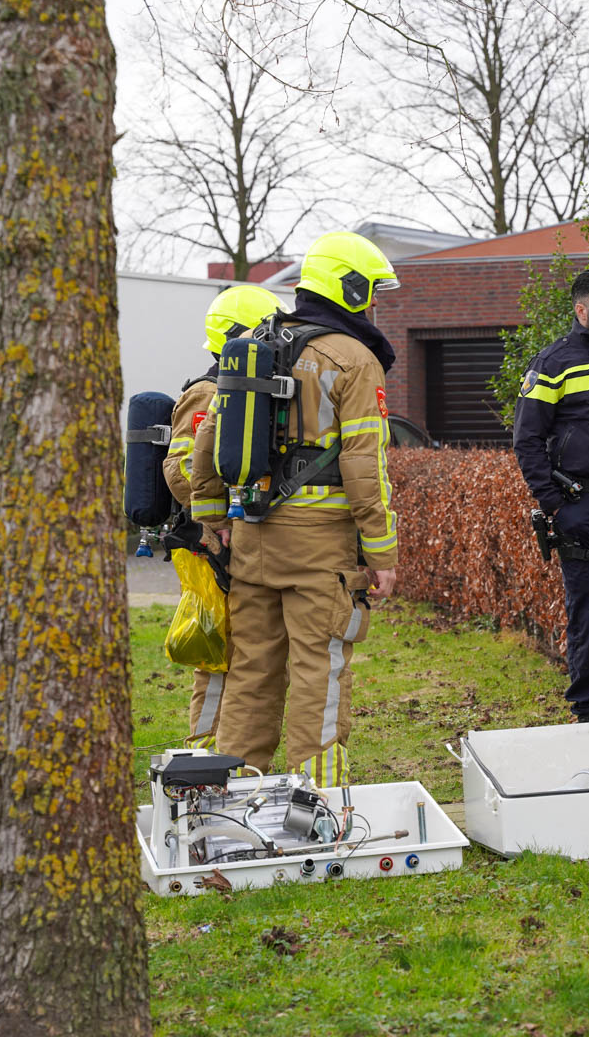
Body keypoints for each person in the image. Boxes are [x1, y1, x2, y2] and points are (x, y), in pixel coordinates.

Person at [188, 232, 400, 785]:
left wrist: (212, 517)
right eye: (371, 291)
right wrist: (382, 550)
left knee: (252, 671)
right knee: (319, 670)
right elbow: (364, 465)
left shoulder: (255, 344)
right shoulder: (353, 359)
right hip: (319, 546)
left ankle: (233, 799)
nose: (375, 303)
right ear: (350, 288)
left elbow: (208, 440)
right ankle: (318, 800)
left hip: (251, 535)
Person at [512, 268, 589, 723]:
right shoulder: (553, 362)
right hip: (579, 506)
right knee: (584, 614)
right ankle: (588, 711)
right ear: (582, 310)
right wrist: (554, 503)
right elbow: (526, 439)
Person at [164, 283, 280, 743]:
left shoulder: (241, 389)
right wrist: (219, 519)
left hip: (231, 541)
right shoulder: (208, 391)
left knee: (243, 650)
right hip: (210, 546)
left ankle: (222, 742)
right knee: (217, 654)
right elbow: (180, 468)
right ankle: (202, 748)